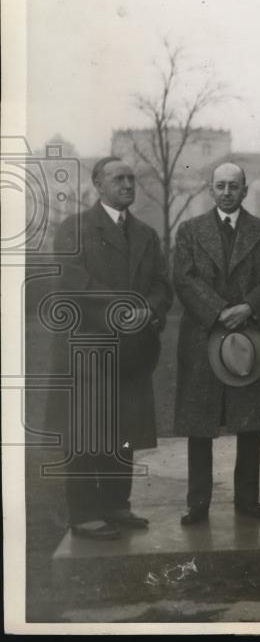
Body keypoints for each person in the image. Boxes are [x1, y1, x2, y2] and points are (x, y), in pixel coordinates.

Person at [48, 157, 172, 540]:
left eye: (132, 178)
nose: (128, 184)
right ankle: (85, 513)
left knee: (125, 428)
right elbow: (73, 283)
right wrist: (121, 310)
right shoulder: (74, 228)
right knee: (87, 431)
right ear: (98, 184)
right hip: (87, 349)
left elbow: (161, 285)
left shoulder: (146, 234)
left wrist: (147, 310)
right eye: (119, 178)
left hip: (132, 350)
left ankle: (118, 504)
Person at [172, 163, 260, 526]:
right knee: (200, 423)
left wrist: (249, 307)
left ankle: (248, 499)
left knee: (249, 420)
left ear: (245, 189)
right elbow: (184, 278)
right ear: (210, 189)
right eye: (220, 186)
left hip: (250, 336)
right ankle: (198, 502)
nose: (226, 192)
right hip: (203, 335)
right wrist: (220, 311)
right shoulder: (190, 231)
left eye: (233, 186)